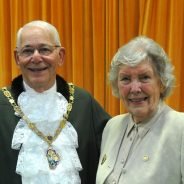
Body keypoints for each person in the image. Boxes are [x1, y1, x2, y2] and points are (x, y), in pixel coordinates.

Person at [0, 20, 110, 184]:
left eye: (44, 49)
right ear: (17, 58)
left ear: (60, 56)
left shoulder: (83, 102)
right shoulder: (2, 105)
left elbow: (115, 147)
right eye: (27, 51)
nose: (36, 57)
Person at [96, 36, 184, 184]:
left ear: (162, 82)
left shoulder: (180, 128)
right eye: (125, 79)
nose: (135, 89)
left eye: (144, 77)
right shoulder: (111, 127)